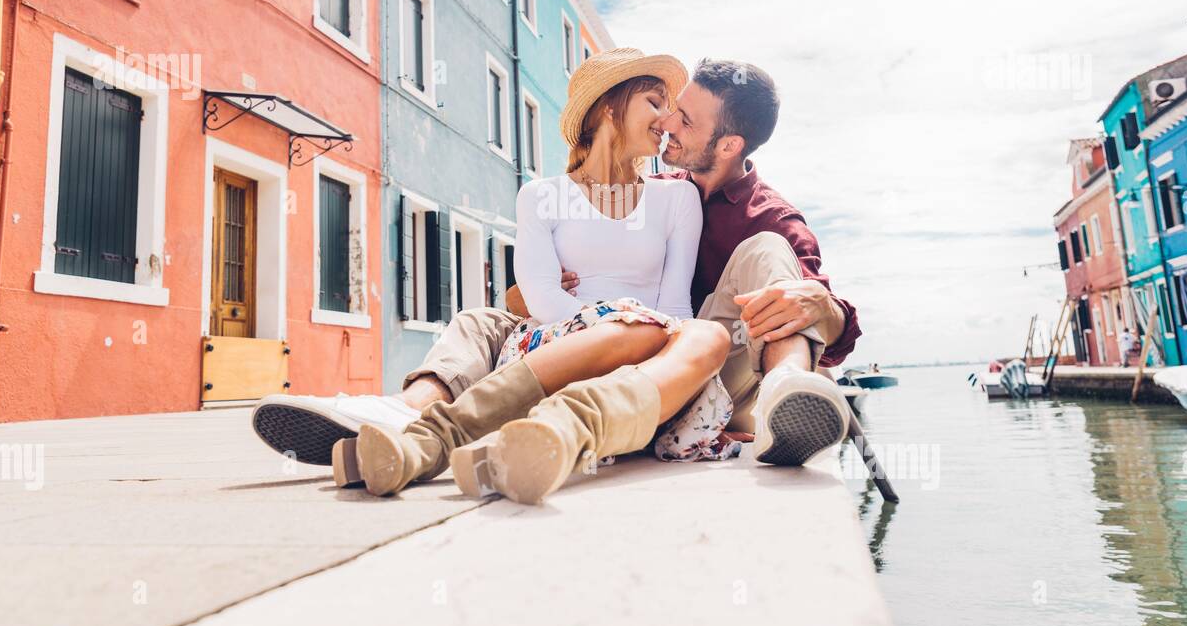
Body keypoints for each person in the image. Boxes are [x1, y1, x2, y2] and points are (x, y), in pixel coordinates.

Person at [253, 52, 859, 502]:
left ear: (728, 144)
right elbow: (546, 286)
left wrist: (827, 309)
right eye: (664, 106)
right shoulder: (643, 190)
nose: (669, 120)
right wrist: (564, 297)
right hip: (617, 336)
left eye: (684, 117)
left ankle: (786, 396)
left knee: (765, 255)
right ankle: (400, 413)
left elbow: (816, 310)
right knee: (483, 317)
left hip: (704, 349)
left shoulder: (762, 211)